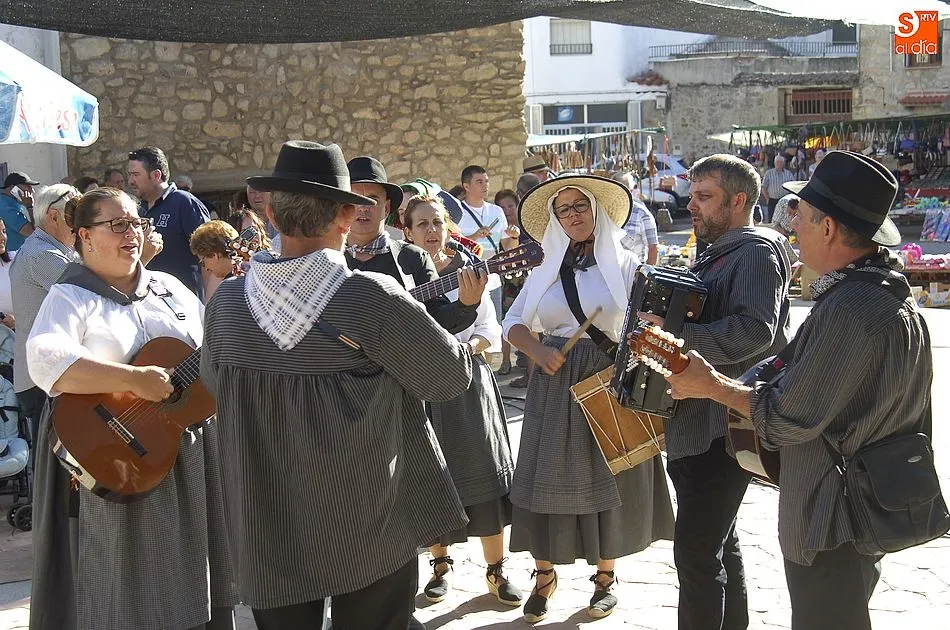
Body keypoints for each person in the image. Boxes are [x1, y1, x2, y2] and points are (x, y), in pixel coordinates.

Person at [199, 140, 479, 630]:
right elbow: (448, 378)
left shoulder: (226, 304)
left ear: (271, 215)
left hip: (266, 518)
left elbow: (215, 388)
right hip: (363, 515)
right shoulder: (369, 297)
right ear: (347, 216)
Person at [656, 151, 932, 630]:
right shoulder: (882, 291)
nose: (792, 227)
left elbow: (785, 417)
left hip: (834, 515)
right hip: (861, 506)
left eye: (800, 216)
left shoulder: (852, 309)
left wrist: (711, 384)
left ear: (828, 228)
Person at [26, 187, 237, 630]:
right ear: (85, 235)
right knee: (127, 581)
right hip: (115, 458)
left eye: (137, 223)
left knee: (195, 567)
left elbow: (209, 354)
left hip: (184, 452)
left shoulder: (170, 290)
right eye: (117, 224)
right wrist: (131, 379)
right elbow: (46, 360)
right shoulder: (70, 297)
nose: (133, 234)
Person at [503, 175, 675, 623]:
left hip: (606, 379)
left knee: (608, 474)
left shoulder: (626, 264)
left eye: (580, 205)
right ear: (556, 219)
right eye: (564, 209)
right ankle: (544, 576)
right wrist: (537, 350)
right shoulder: (544, 268)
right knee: (546, 475)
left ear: (596, 210)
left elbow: (648, 320)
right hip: (553, 382)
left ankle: (605, 578)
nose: (573, 214)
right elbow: (513, 321)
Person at [637, 154, 795, 630]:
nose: (692, 206)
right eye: (693, 196)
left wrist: (673, 337)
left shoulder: (756, 252)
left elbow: (756, 332)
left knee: (696, 553)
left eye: (705, 197)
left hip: (721, 427)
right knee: (719, 545)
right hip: (698, 423)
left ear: (739, 200)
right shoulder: (720, 250)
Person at [402, 195, 523, 607]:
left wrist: (463, 350)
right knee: (432, 475)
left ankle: (496, 569)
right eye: (422, 224)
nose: (431, 231)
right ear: (407, 232)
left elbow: (489, 328)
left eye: (437, 222)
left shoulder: (471, 270)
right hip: (420, 387)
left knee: (483, 471)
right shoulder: (400, 275)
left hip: (467, 382)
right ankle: (440, 566)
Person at [345, 156, 481, 334]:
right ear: (343, 206)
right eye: (357, 198)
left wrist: (466, 304)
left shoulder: (413, 258)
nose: (364, 207)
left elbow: (438, 318)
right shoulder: (325, 257)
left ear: (386, 208)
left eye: (373, 199)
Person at [10, 185, 81, 443]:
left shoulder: (47, 249)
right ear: (53, 216)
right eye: (75, 214)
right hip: (43, 379)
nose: (81, 222)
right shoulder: (42, 255)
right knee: (54, 461)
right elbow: (92, 296)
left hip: (45, 376)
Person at [127, 146, 210, 294]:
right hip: (148, 299)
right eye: (129, 175)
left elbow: (210, 257)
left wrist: (209, 302)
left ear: (156, 175)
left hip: (184, 299)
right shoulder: (136, 211)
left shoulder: (184, 203)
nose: (130, 181)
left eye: (136, 175)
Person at [189, 220, 242, 301]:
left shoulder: (227, 290)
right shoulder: (253, 270)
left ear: (214, 255)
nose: (206, 268)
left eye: (203, 262)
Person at [0, 172, 38, 250]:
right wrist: (30, 207)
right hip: (12, 256)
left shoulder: (11, 203)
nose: (32, 191)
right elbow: (35, 233)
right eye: (27, 186)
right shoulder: (5, 207)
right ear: (12, 188)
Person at [761, 155, 796, 223]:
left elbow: (793, 186)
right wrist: (767, 199)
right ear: (775, 163)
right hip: (772, 201)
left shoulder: (788, 173)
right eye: (778, 162)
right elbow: (764, 187)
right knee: (772, 221)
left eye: (781, 162)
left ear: (783, 163)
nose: (779, 164)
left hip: (785, 201)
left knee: (785, 220)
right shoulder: (769, 173)